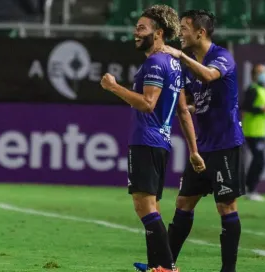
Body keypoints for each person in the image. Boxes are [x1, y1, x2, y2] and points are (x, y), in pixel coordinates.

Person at [100, 5, 206, 272]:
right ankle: (155, 265)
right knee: (152, 205)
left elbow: (148, 103)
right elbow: (182, 110)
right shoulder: (172, 63)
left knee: (143, 206)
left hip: (146, 140)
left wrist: (114, 87)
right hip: (161, 141)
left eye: (141, 28)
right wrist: (193, 149)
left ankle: (167, 267)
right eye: (136, 27)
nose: (136, 33)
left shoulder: (155, 63)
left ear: (159, 33)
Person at [241, 63, 265, 201]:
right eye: (262, 72)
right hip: (252, 131)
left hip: (259, 131)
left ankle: (248, 187)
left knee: (258, 160)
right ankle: (250, 189)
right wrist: (263, 108)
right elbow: (246, 106)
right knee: (259, 160)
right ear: (254, 75)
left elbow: (264, 107)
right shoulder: (253, 89)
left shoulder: (262, 90)